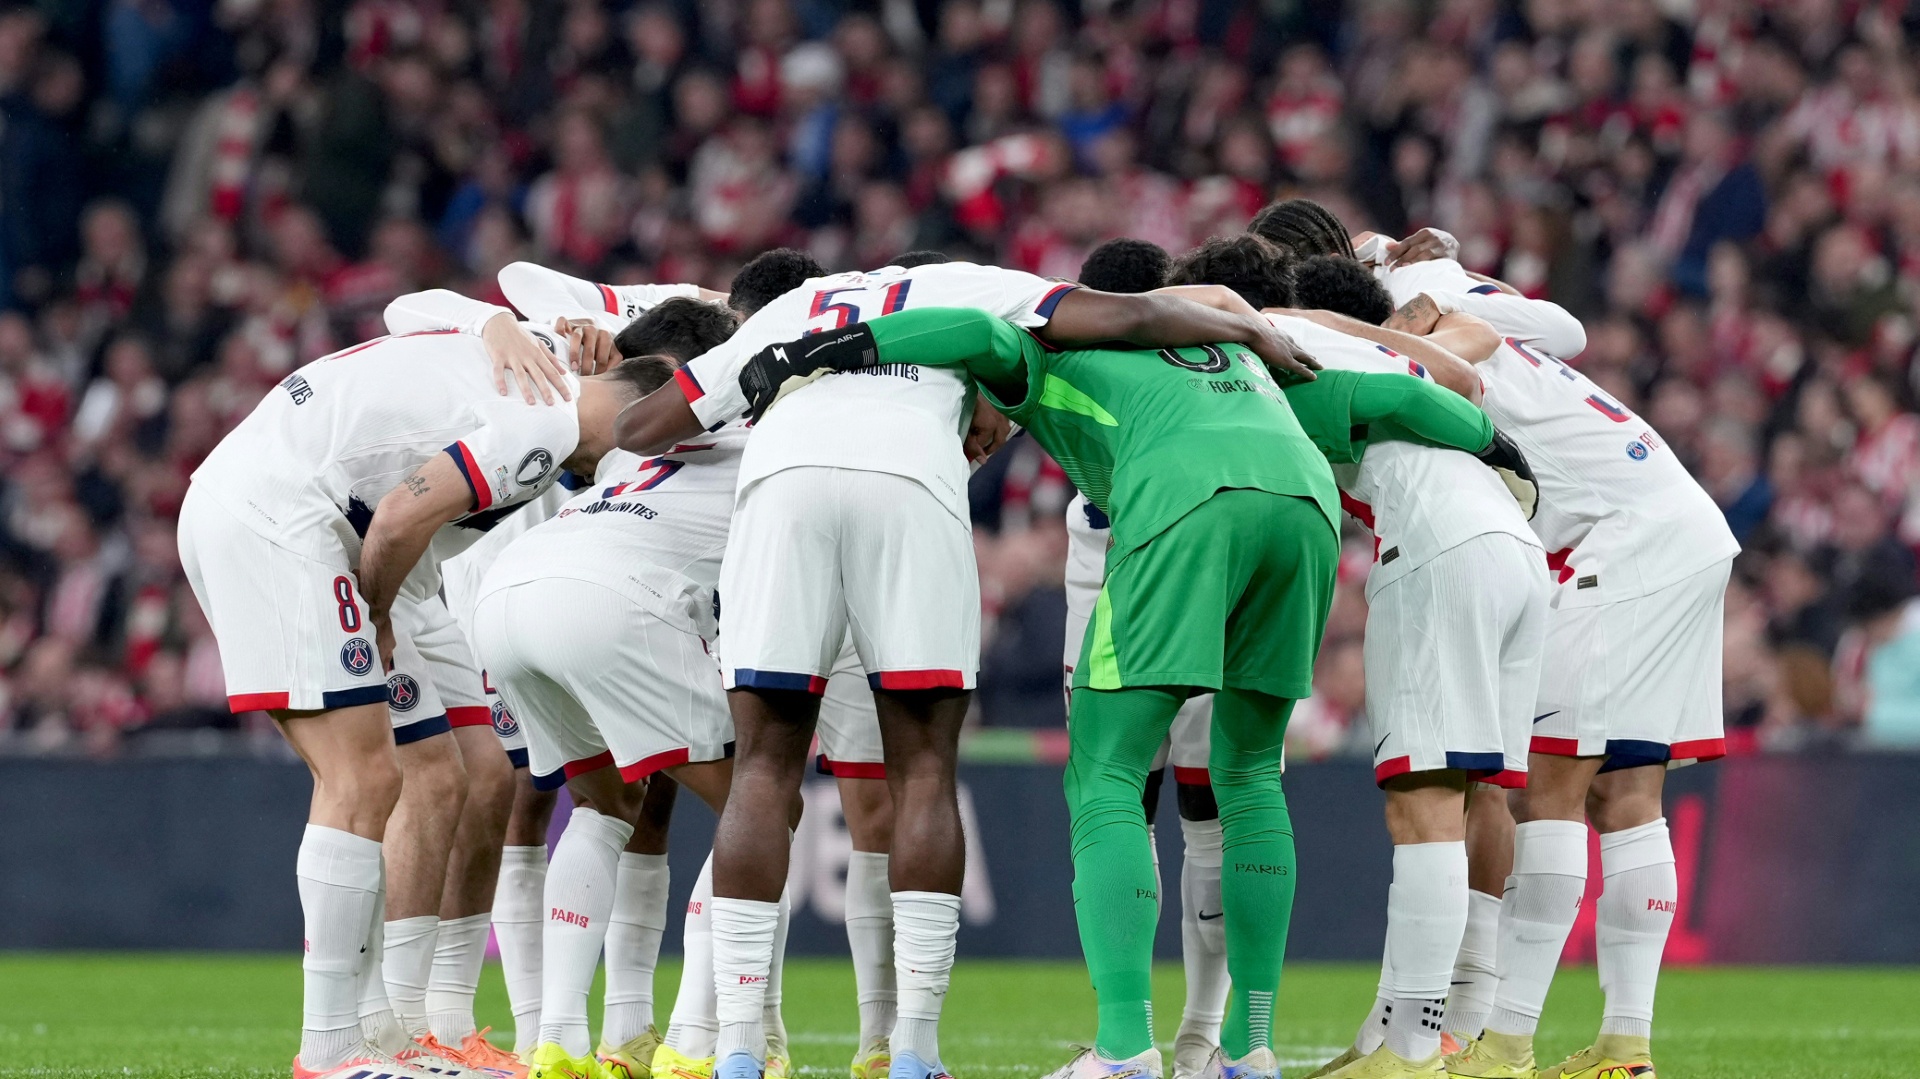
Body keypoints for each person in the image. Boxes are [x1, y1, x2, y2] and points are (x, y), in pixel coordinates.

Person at [730, 296, 1525, 1079]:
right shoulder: (1246, 359)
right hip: (1307, 512)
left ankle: (1122, 1049)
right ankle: (1249, 1050)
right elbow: (1397, 394)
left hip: (1183, 502)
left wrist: (822, 350)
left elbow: (975, 329)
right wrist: (1498, 450)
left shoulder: (1060, 354)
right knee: (1247, 774)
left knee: (1107, 772)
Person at [615, 261, 1319, 1079]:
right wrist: (1244, 326)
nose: (985, 444)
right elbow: (1142, 321)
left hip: (786, 485)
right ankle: (918, 1050)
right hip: (942, 486)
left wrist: (779, 370)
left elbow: (642, 425)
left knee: (768, 767)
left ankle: (736, 1048)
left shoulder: (803, 308)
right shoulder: (987, 287)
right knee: (926, 769)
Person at [178, 306, 659, 1079]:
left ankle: (392, 1029)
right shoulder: (551, 425)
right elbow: (401, 514)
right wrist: (374, 610)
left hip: (319, 517)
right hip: (289, 515)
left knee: (453, 764)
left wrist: (497, 320)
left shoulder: (545, 362)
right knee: (362, 775)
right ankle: (331, 1047)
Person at [1169, 236, 1553, 1079]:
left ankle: (1413, 1051)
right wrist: (1492, 441)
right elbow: (1469, 362)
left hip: (1436, 547)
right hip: (1514, 548)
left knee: (1424, 807)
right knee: (1467, 795)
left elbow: (1352, 390)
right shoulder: (1368, 337)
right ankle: (1411, 1032)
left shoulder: (1272, 354)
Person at [1372, 233, 1738, 1079]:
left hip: (1630, 539)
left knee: (1552, 785)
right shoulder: (1476, 312)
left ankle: (1504, 1043)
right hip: (1679, 522)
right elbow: (1538, 321)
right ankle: (1625, 1044)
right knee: (1628, 792)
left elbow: (1465, 323)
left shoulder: (1439, 332)